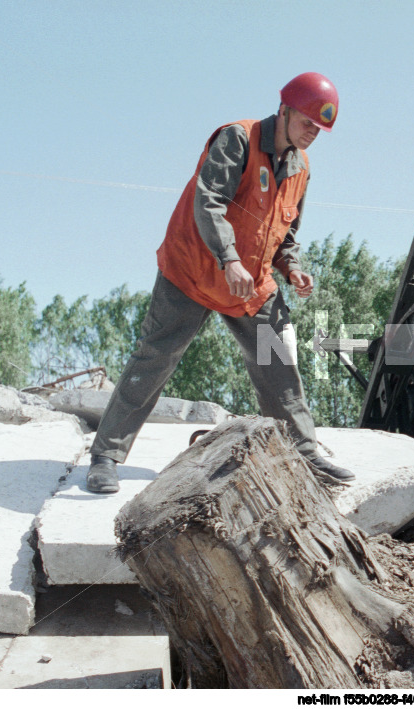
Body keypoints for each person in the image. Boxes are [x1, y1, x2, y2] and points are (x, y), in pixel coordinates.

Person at [86, 72, 353, 494]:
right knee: (155, 357)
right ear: (284, 111)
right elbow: (208, 202)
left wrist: (293, 267)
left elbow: (286, 232)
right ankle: (105, 456)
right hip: (193, 270)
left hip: (250, 285)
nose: (312, 134)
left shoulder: (300, 168)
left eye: (319, 130)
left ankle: (304, 453)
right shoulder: (238, 140)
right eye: (306, 123)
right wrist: (228, 259)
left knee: (278, 362)